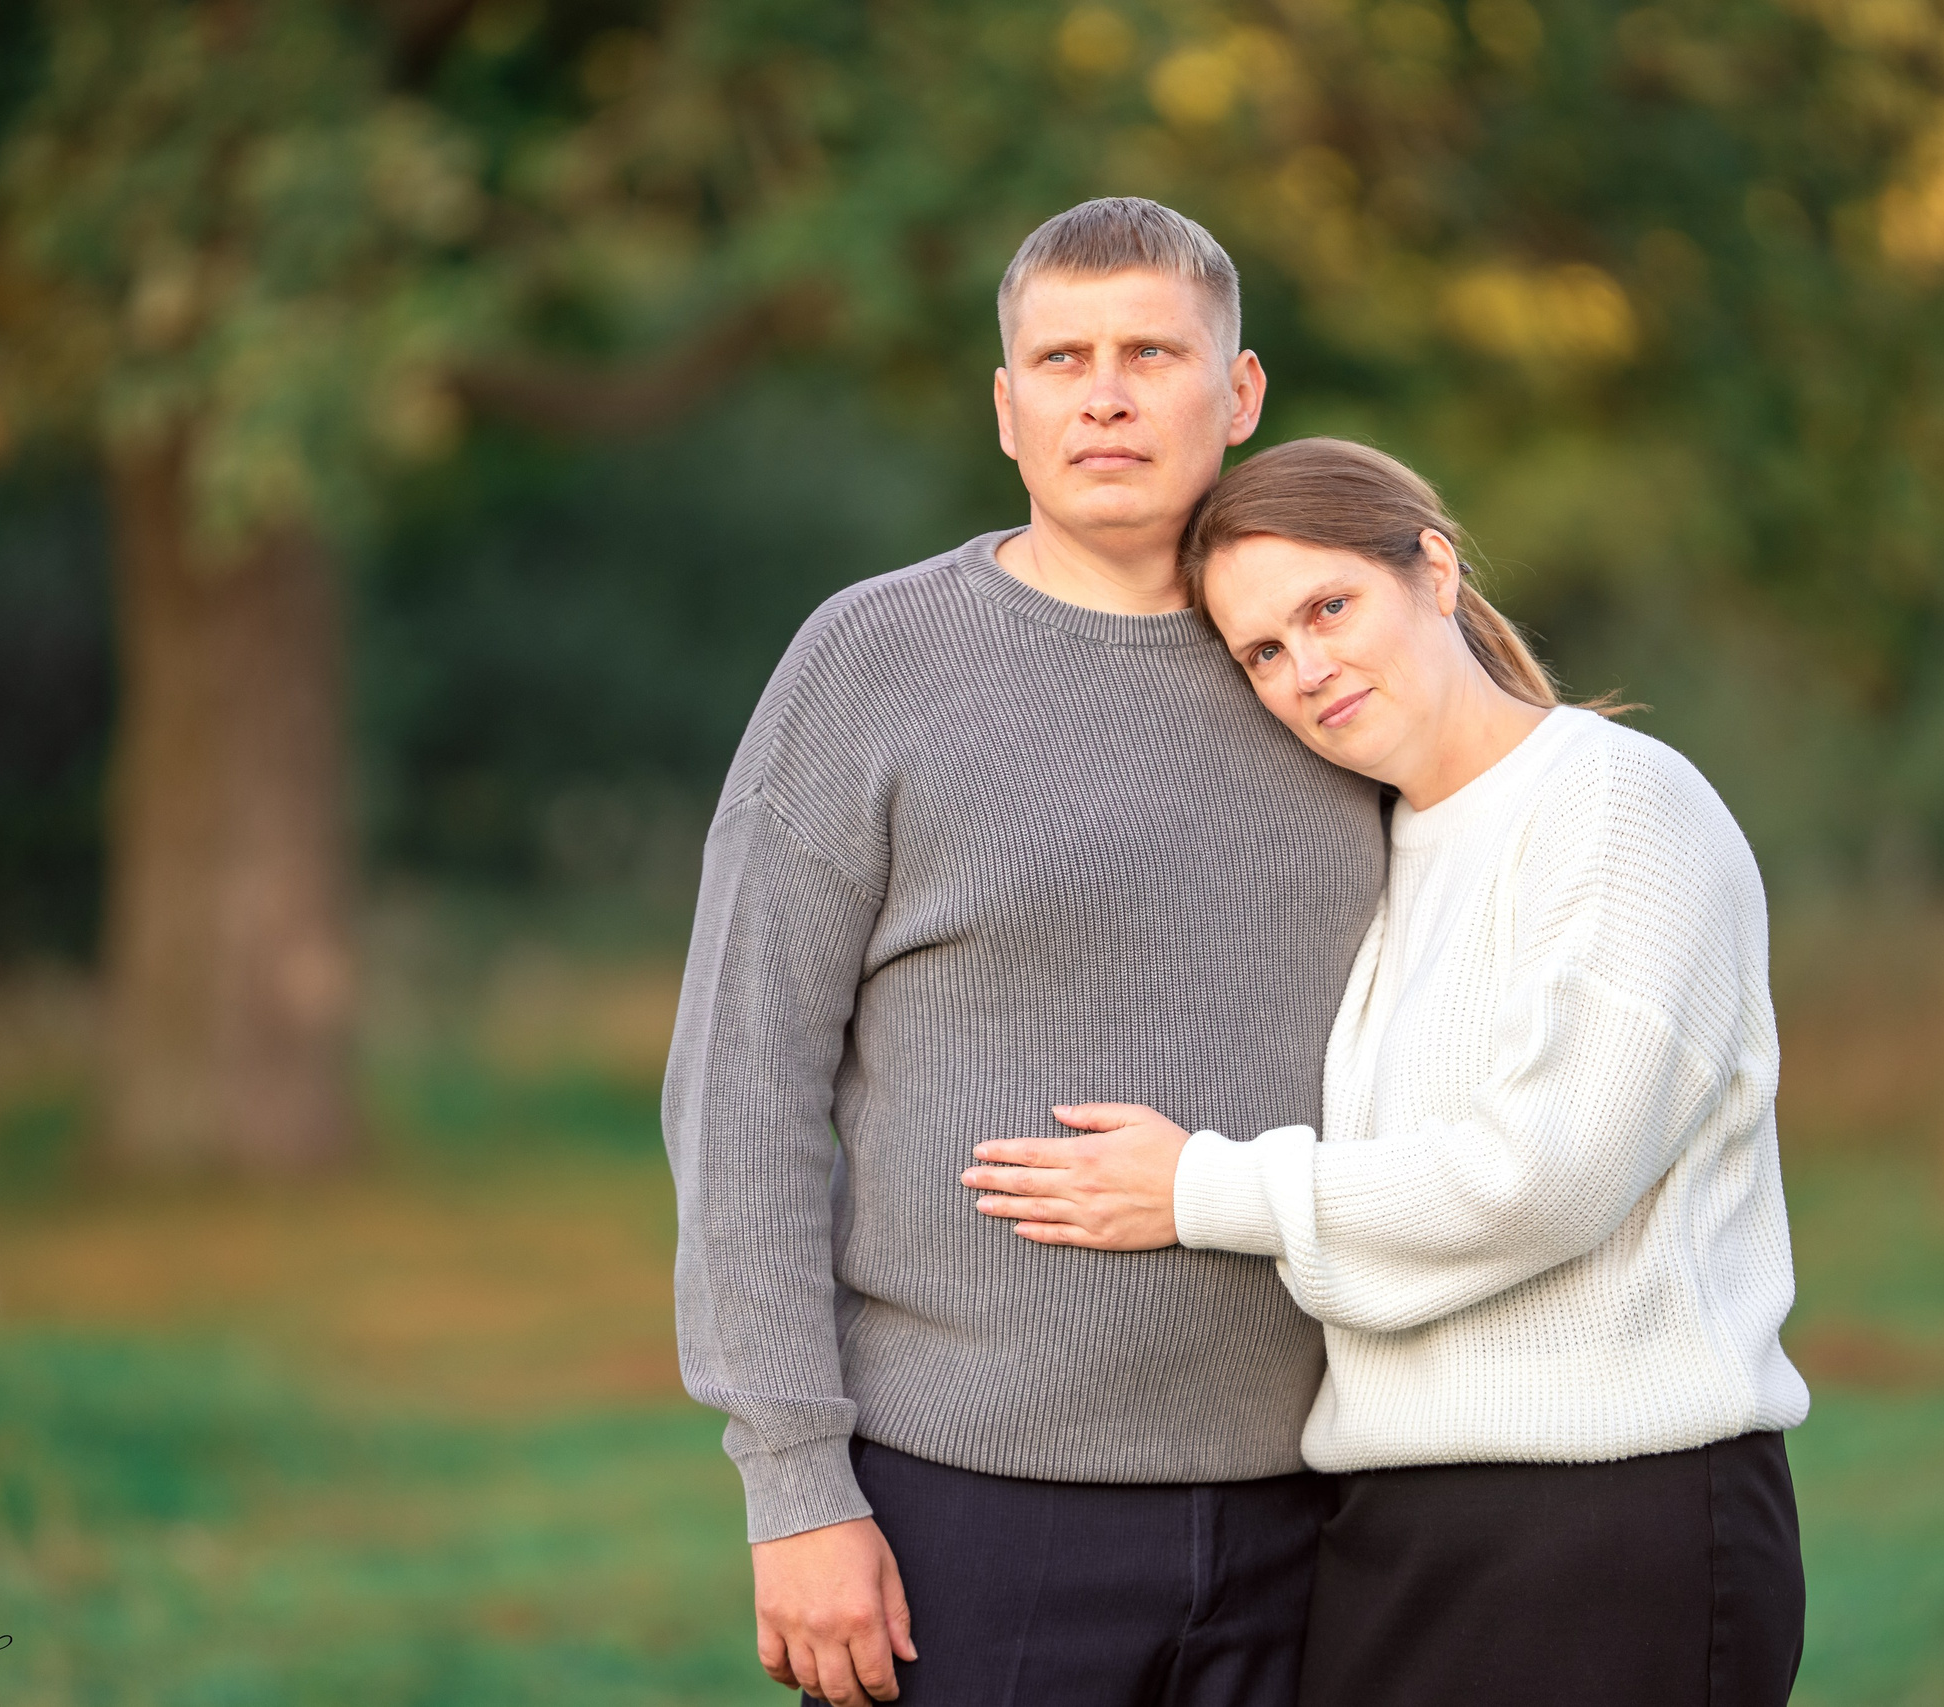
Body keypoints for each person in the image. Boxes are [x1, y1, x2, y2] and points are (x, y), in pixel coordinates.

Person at [663, 204, 1385, 1706]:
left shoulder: (1326, 664)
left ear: (1239, 394)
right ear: (1008, 408)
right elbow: (745, 1083)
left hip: (1320, 1498)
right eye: (1061, 358)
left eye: (1148, 354)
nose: (1104, 393)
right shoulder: (872, 662)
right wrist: (795, 1480)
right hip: (962, 1505)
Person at [964, 438, 1811, 1707]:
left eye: (1327, 608)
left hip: (1607, 1530)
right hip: (1390, 1531)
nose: (1306, 670)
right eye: (1262, 651)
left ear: (1434, 568)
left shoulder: (1619, 805)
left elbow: (1544, 1178)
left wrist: (1200, 1191)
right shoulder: (1389, 846)